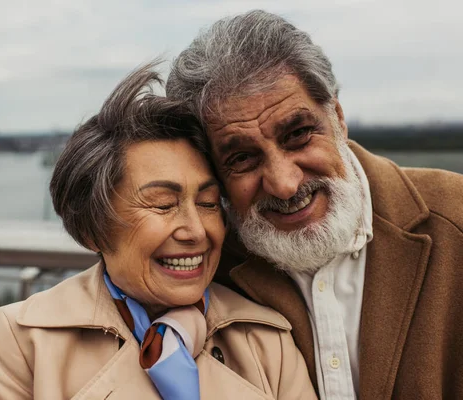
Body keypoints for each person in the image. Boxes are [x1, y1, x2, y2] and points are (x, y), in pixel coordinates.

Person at [164, 9, 463, 400]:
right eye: (242, 159)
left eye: (299, 135)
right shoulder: (201, 267)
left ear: (337, 117)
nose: (285, 185)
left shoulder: (455, 219)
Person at [0, 63, 317, 399]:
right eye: (164, 204)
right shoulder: (25, 339)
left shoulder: (268, 340)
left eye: (209, 203)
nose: (196, 231)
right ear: (93, 227)